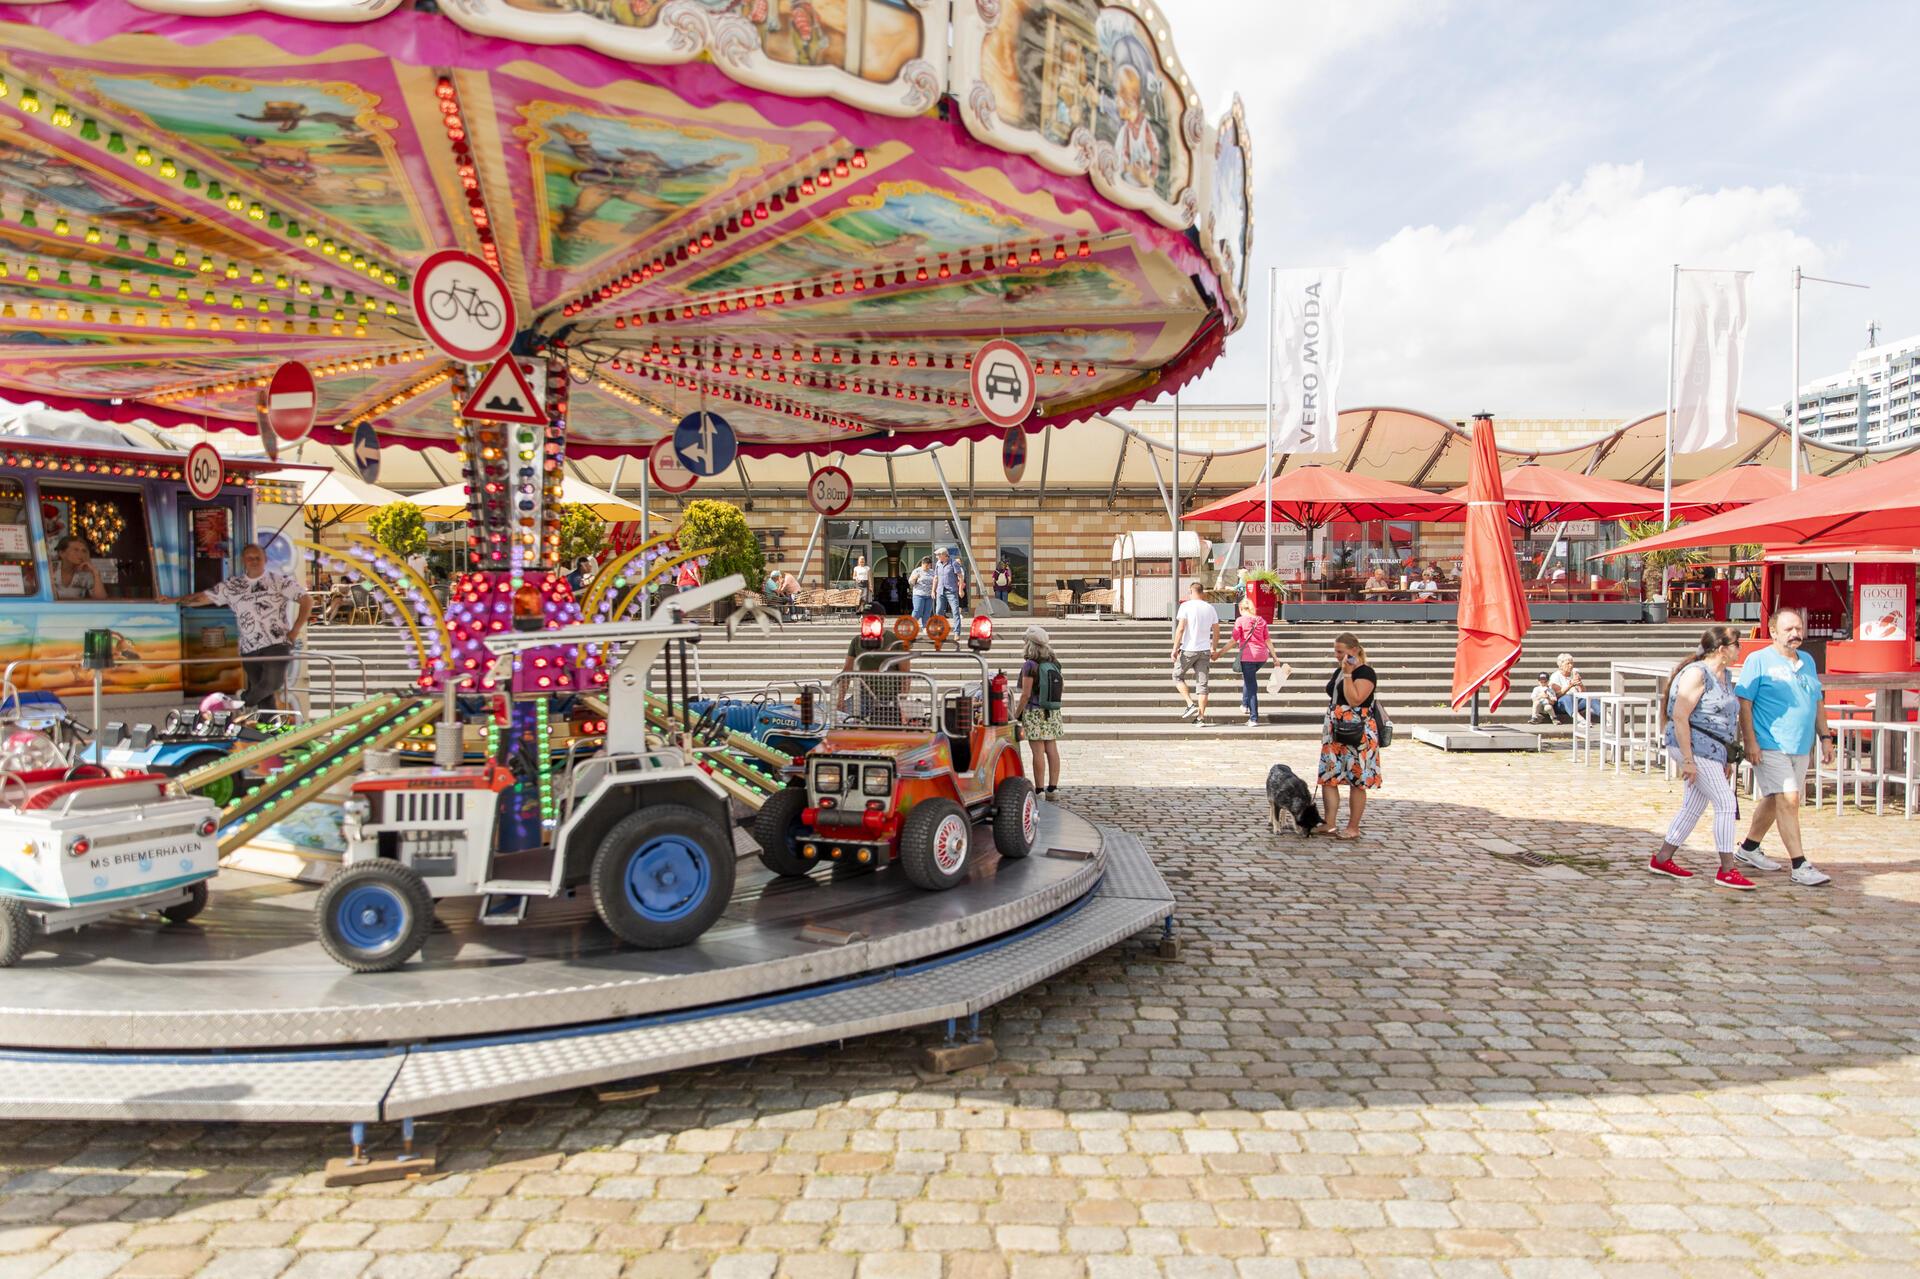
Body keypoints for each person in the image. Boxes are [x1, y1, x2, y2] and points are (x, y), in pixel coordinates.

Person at [1733, 607, 1836, 887]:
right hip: (1770, 742)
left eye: (1798, 629)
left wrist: (1825, 737)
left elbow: (1816, 701)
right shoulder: (1759, 660)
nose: (1795, 634)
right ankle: (1800, 864)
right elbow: (1745, 702)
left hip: (1800, 744)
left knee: (1775, 797)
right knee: (1789, 800)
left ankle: (1749, 848)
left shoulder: (1808, 661)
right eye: (1789, 629)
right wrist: (1750, 740)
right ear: (1773, 632)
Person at [1649, 626, 1749, 887]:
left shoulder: (1724, 675)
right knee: (1726, 803)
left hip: (1713, 748)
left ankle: (1662, 858)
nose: (1741, 649)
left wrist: (1725, 757)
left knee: (1693, 806)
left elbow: (1725, 718)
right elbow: (1680, 716)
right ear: (1722, 649)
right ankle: (1727, 868)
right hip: (1693, 746)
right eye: (1737, 644)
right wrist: (1689, 760)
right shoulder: (1697, 673)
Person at [166, 542, 309, 710]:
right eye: (250, 558)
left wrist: (295, 630)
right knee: (263, 693)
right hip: (249, 647)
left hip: (278, 642)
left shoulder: (279, 582)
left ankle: (240, 702)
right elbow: (202, 598)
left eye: (258, 558)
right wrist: (173, 600)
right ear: (243, 561)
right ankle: (269, 728)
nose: (254, 561)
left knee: (272, 682)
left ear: (265, 559)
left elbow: (306, 600)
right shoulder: (233, 586)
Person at [1318, 632, 1381, 840]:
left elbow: (1355, 699)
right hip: (1335, 729)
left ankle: (1354, 827)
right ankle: (1329, 822)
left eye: (1340, 651)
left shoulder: (1365, 672)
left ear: (1354, 651)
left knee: (1357, 778)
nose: (1337, 655)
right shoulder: (1339, 670)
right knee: (1329, 777)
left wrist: (1347, 674)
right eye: (1335, 651)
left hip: (1358, 731)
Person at [1011, 624, 1063, 797]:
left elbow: (1025, 694)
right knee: (1052, 749)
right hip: (1052, 711)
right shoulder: (1054, 662)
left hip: (1034, 711)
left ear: (1029, 644)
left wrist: (1016, 714)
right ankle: (1053, 788)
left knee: (1037, 751)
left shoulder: (1030, 665)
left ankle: (1039, 789)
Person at [1169, 580, 1219, 723]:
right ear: (1202, 592)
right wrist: (1213, 648)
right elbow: (1216, 630)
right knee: (1202, 685)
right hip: (1204, 650)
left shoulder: (1185, 606)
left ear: (1191, 592)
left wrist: (1174, 649)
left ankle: (1190, 704)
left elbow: (1180, 629)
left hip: (1188, 649)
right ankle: (1201, 718)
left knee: (1177, 676)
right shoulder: (1210, 608)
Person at [1227, 596, 1270, 726]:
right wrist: (1275, 657)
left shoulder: (1240, 620)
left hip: (1248, 656)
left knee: (1251, 686)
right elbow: (1267, 639)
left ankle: (1253, 718)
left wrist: (1219, 653)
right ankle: (1245, 704)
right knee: (1249, 678)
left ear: (1241, 609)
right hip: (1262, 656)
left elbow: (1233, 640)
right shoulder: (1261, 620)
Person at [50, 535, 106, 600]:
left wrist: (96, 573)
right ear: (62, 553)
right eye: (76, 550)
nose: (81, 554)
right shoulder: (49, 569)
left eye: (84, 551)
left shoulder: (86, 573)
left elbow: (100, 599)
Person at [1548, 653, 1600, 723]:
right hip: (1561, 704)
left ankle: (1608, 719)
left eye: (1572, 663)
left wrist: (1580, 685)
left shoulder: (1574, 674)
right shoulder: (1555, 676)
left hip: (1576, 702)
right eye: (1568, 663)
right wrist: (1570, 685)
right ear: (1561, 665)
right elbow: (1556, 696)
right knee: (1567, 697)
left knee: (1591, 699)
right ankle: (1580, 720)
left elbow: (1583, 693)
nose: (1571, 666)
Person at [933, 547, 963, 624]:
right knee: (938, 611)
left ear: (944, 555)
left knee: (955, 612)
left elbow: (960, 577)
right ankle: (940, 631)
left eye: (938, 555)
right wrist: (933, 591)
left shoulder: (954, 563)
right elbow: (936, 578)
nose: (937, 557)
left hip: (951, 591)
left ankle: (956, 633)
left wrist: (960, 590)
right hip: (940, 591)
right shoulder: (938, 564)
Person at [908, 555, 935, 623]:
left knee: (927, 612)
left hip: (929, 595)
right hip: (919, 594)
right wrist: (915, 578)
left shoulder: (932, 571)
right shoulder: (917, 571)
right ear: (922, 564)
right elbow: (910, 582)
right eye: (926, 565)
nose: (928, 567)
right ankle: (912, 624)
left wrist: (934, 591)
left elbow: (935, 581)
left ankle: (925, 627)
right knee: (918, 610)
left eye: (929, 565)